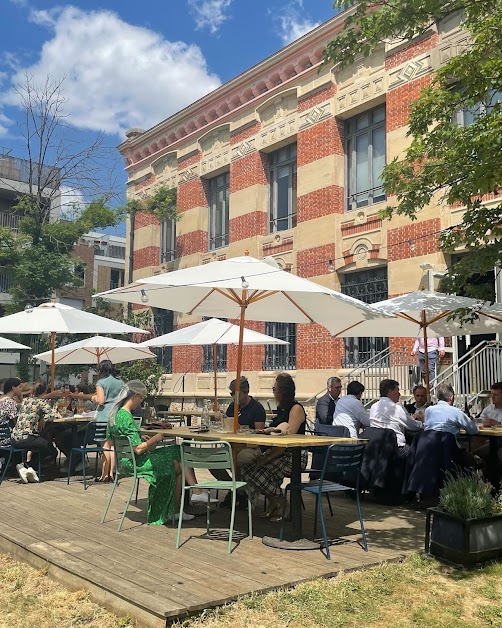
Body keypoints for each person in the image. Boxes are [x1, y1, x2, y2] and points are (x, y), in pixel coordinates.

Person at [107, 380, 193, 525]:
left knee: (178, 451)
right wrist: (155, 438)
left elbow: (114, 441)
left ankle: (181, 506)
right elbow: (139, 449)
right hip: (137, 462)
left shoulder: (115, 415)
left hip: (126, 460)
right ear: (134, 396)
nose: (141, 401)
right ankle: (183, 503)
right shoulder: (127, 417)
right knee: (178, 464)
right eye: (141, 398)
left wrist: (139, 437)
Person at [241, 372, 307, 520]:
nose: (273, 392)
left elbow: (288, 441)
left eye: (274, 389)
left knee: (254, 469)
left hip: (294, 456)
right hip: (278, 453)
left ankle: (281, 501)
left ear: (283, 391)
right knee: (246, 467)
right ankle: (275, 501)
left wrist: (265, 458)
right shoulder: (282, 409)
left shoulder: (295, 409)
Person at [216, 376, 266, 510]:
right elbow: (227, 425)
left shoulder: (257, 408)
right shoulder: (233, 406)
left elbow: (259, 432)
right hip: (232, 445)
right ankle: (236, 491)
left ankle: (238, 492)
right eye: (231, 394)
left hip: (251, 447)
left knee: (236, 460)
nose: (233, 397)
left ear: (246, 392)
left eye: (235, 394)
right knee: (213, 461)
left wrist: (244, 430)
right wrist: (222, 419)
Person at [11, 382, 60, 482]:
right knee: (52, 450)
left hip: (14, 438)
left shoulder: (25, 401)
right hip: (27, 437)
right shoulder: (41, 403)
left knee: (41, 446)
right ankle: (30, 467)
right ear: (45, 392)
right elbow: (55, 416)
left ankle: (28, 468)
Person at [424, 384, 479, 466]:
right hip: (452, 453)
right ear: (451, 397)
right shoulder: (456, 412)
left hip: (430, 451)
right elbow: (473, 431)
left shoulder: (428, 411)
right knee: (478, 461)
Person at [369, 379, 423, 458]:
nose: (399, 394)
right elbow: (413, 426)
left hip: (377, 447)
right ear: (390, 391)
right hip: (396, 448)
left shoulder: (373, 407)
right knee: (419, 454)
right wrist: (422, 423)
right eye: (397, 390)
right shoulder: (396, 408)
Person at [92, 360, 124, 482]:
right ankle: (111, 473)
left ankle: (104, 474)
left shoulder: (101, 382)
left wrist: (94, 398)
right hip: (116, 415)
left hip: (104, 416)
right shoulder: (120, 382)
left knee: (105, 446)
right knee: (112, 446)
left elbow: (101, 400)